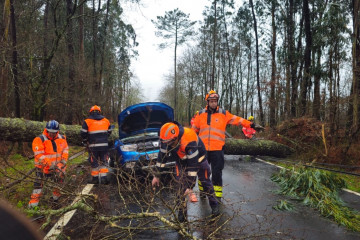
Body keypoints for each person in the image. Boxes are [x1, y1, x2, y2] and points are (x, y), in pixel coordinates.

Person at [191, 90, 255, 201]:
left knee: (217, 173)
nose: (213, 103)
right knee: (203, 172)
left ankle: (217, 197)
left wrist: (250, 124)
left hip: (218, 149)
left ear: (217, 101)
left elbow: (237, 120)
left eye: (215, 101)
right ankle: (202, 191)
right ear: (208, 102)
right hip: (203, 149)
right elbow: (194, 130)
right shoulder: (200, 114)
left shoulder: (224, 114)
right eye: (211, 101)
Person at [151, 122, 220, 222]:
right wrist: (157, 175)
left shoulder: (189, 140)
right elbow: (162, 158)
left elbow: (193, 165)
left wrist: (190, 186)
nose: (166, 145)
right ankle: (181, 213)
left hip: (199, 160)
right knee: (180, 187)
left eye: (168, 143)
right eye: (164, 142)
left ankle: (214, 206)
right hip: (181, 161)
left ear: (176, 138)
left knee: (206, 183)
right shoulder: (166, 139)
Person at [28, 120, 69, 208]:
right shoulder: (39, 140)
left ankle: (55, 200)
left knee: (58, 184)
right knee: (38, 187)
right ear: (47, 130)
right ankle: (32, 207)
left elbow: (65, 149)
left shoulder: (62, 138)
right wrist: (49, 163)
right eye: (50, 132)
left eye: (54, 132)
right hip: (42, 168)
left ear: (57, 131)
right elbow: (39, 155)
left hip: (58, 167)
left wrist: (64, 161)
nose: (52, 134)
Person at [81, 105, 111, 184]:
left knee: (94, 161)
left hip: (93, 146)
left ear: (90, 112)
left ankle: (95, 179)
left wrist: (85, 141)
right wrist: (104, 137)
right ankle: (104, 178)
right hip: (104, 145)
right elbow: (109, 131)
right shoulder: (106, 120)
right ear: (99, 112)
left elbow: (83, 133)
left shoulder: (87, 121)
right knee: (104, 161)